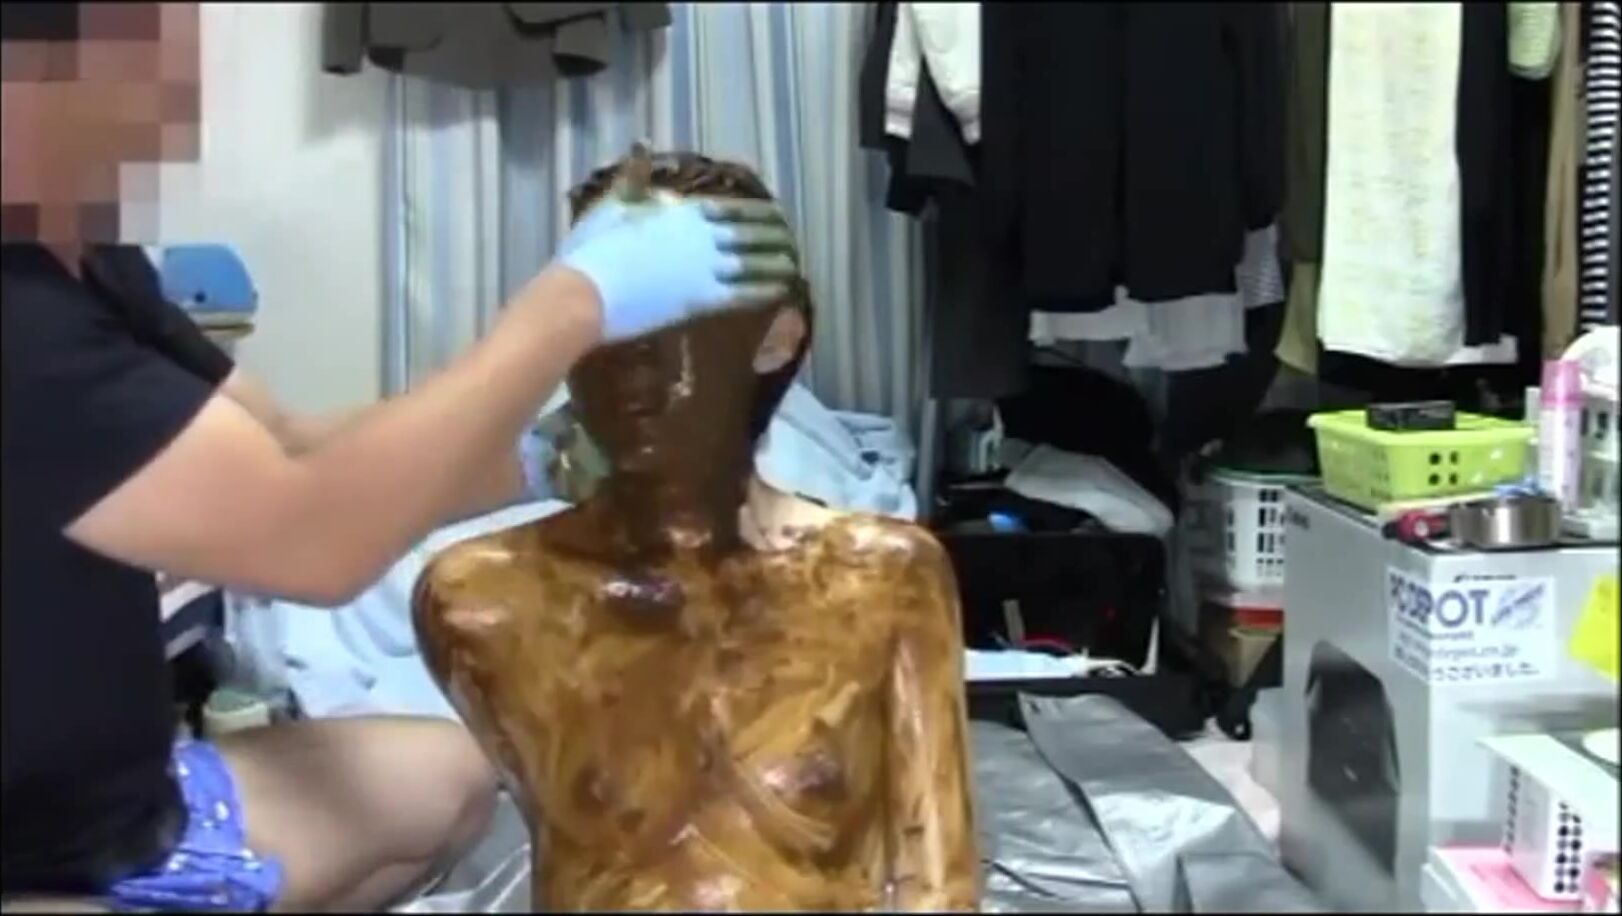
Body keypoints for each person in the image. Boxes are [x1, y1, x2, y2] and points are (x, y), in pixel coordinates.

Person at [0, 2, 799, 911]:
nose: (185, 87)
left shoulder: (89, 259)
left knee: (449, 779)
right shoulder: (23, 323)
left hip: (130, 808)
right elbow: (311, 543)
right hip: (27, 862)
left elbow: (288, 441)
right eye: (139, 54)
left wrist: (547, 463)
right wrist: (569, 306)